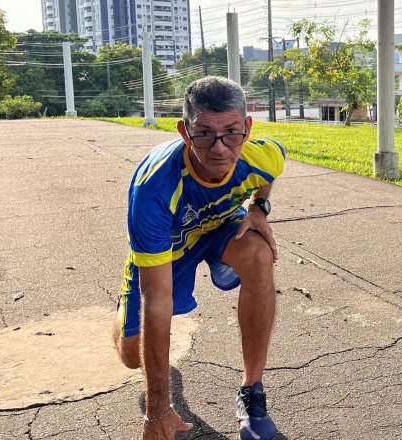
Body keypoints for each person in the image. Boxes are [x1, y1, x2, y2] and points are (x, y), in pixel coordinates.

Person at [110, 76, 285, 440]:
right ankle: (121, 315)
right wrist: (158, 407)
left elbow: (271, 169)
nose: (221, 148)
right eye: (205, 134)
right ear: (185, 132)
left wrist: (259, 208)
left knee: (259, 252)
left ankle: (252, 391)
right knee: (132, 356)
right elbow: (157, 300)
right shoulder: (153, 189)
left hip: (220, 224)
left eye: (232, 133)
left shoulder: (258, 154)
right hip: (170, 246)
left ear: (247, 128)